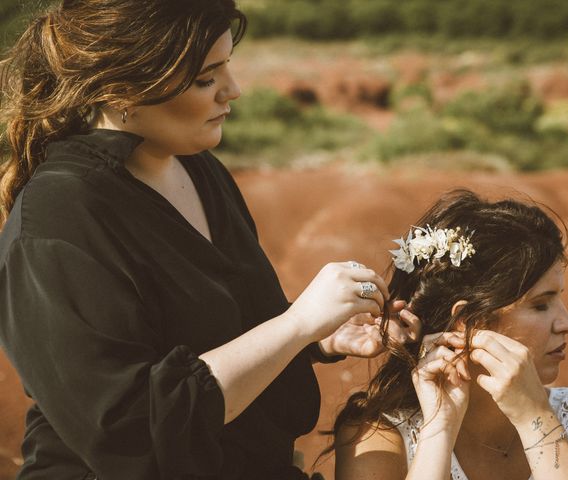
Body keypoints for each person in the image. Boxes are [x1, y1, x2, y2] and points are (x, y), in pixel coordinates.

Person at [0, 1, 422, 479]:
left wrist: (320, 338)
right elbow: (129, 427)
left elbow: (221, 334)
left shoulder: (197, 168)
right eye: (206, 78)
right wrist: (296, 325)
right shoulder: (60, 215)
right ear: (123, 90)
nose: (233, 91)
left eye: (228, 67)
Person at [333, 190, 568, 480]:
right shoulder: (377, 433)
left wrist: (534, 419)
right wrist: (440, 428)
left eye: (559, 299)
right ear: (467, 321)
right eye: (541, 305)